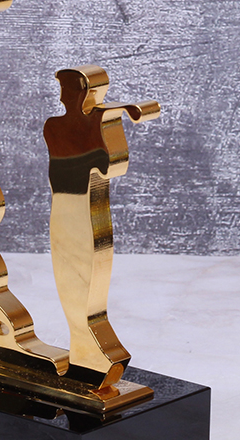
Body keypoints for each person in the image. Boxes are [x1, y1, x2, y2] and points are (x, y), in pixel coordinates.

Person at [43, 66, 160, 389]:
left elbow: (111, 163)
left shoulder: (93, 121)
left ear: (85, 93)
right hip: (63, 208)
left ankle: (91, 346)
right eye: (64, 89)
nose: (63, 96)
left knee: (85, 275)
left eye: (68, 89)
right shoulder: (54, 125)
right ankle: (83, 347)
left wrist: (109, 121)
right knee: (70, 274)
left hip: (86, 210)